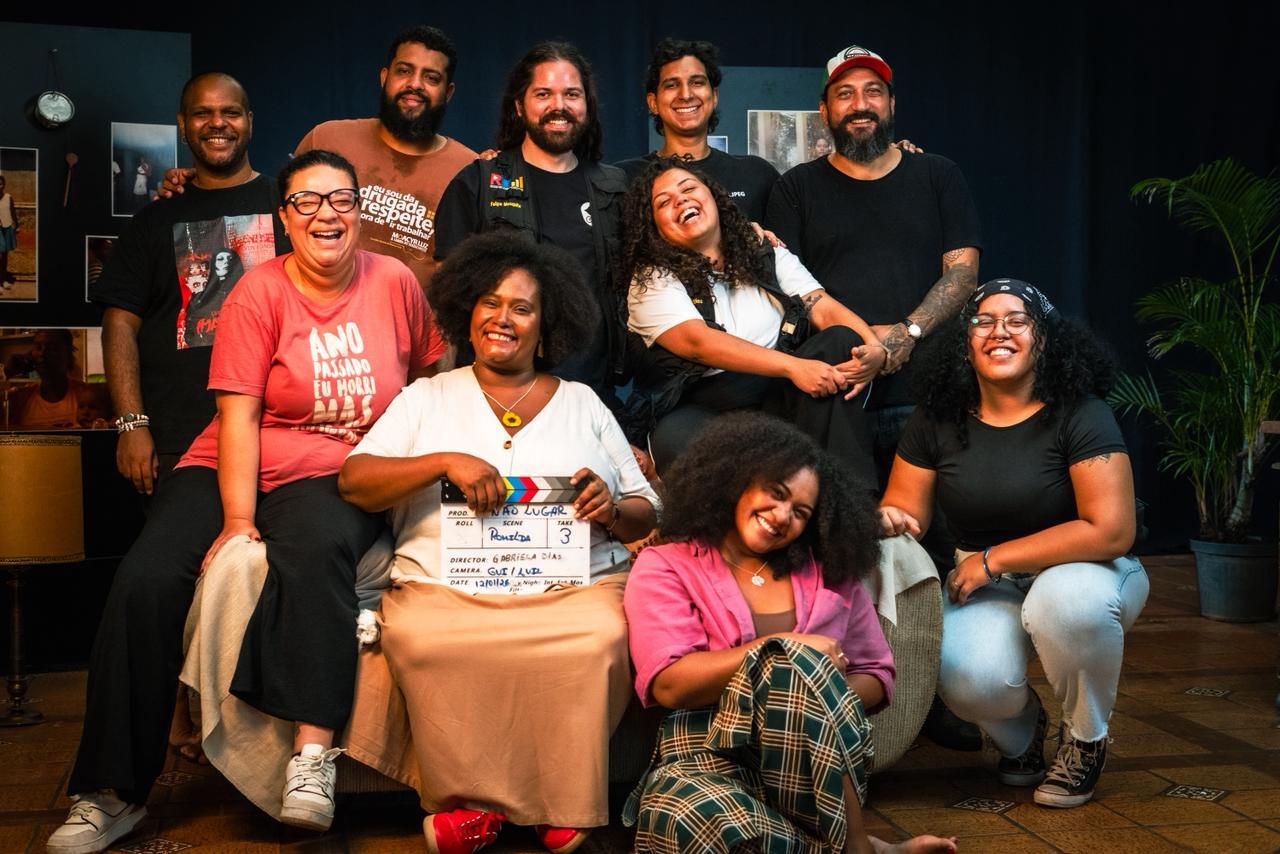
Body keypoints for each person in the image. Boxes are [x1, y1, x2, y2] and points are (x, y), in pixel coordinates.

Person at [49, 149, 444, 854]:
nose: (326, 214)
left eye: (341, 199)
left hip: (335, 475)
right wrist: (237, 521)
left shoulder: (395, 283)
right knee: (145, 581)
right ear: (285, 218)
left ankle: (310, 762)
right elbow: (239, 417)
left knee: (317, 547)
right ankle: (110, 791)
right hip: (229, 462)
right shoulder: (258, 291)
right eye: (306, 202)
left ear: (359, 211)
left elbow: (430, 379)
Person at [339, 232, 660, 854]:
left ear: (547, 325)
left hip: (573, 590)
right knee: (424, 637)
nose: (502, 318)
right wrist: (441, 462)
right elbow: (355, 481)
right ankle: (468, 805)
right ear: (468, 312)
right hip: (443, 587)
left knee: (601, 636)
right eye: (489, 302)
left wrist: (613, 508)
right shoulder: (427, 397)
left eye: (521, 307)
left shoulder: (584, 402)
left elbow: (647, 512)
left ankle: (556, 804)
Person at [623, 412, 955, 854]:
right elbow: (669, 683)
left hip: (815, 766)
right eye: (776, 494)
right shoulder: (667, 565)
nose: (782, 517)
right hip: (706, 753)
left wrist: (803, 701)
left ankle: (856, 847)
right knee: (685, 816)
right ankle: (865, 847)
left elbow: (877, 675)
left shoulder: (829, 571)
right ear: (736, 479)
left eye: (801, 513)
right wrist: (779, 651)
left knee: (794, 672)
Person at [879, 278, 1147, 808]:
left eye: (1017, 320)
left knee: (1068, 603)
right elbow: (905, 512)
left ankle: (1085, 739)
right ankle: (1022, 737)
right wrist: (887, 520)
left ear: (1044, 339)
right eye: (983, 321)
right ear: (965, 343)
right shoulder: (937, 417)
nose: (998, 331)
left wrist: (993, 559)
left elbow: (1112, 530)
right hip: (984, 580)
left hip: (1087, 569)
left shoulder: (1080, 412)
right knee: (966, 677)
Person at [767, 44, 982, 487]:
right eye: (845, 94)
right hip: (837, 395)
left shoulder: (938, 175)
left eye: (873, 91)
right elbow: (788, 290)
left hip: (928, 393)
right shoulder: (794, 189)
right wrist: (866, 339)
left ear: (891, 103)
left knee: (933, 526)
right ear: (824, 110)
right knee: (846, 520)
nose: (860, 104)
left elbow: (962, 273)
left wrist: (906, 333)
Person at [619, 157, 883, 481]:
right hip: (708, 405)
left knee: (840, 340)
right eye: (664, 202)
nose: (681, 200)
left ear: (714, 196)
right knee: (674, 436)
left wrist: (873, 347)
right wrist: (793, 367)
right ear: (654, 226)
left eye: (689, 189)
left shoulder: (762, 248)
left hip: (781, 392)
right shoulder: (650, 278)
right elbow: (696, 342)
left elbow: (820, 305)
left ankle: (850, 497)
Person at [92, 73, 288, 496]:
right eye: (203, 113)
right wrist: (131, 424)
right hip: (177, 441)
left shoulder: (287, 207)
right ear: (182, 125)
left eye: (230, 112)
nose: (217, 123)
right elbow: (119, 325)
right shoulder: (153, 220)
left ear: (250, 121)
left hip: (278, 434)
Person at [163, 26, 476, 291]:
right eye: (404, 71)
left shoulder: (469, 170)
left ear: (448, 92)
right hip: (315, 328)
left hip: (417, 336)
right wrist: (199, 184)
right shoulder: (327, 138)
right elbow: (274, 217)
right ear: (384, 77)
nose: (415, 84)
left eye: (431, 77)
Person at [434, 41, 631, 417]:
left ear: (587, 106)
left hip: (591, 395)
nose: (559, 105)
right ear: (519, 106)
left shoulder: (614, 188)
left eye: (571, 94)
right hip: (496, 394)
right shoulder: (478, 183)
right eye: (543, 94)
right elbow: (447, 304)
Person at [615, 39, 780, 224]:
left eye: (697, 82)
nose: (686, 95)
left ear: (714, 96)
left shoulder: (756, 174)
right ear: (653, 103)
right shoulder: (623, 179)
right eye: (672, 85)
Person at [12, 329, 88, 429]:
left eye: (52, 348)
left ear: (68, 355)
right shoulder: (21, 398)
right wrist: (6, 372)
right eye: (38, 347)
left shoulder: (85, 394)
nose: (42, 353)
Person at [0, 174, 17, 289]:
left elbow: (13, 212)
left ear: (4, 185)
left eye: (0, 184)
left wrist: (17, 226)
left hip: (8, 228)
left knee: (5, 255)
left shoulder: (8, 197)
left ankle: (4, 280)